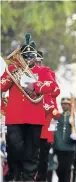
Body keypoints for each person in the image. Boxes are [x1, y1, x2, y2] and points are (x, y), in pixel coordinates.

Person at [1, 33, 57, 181]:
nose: (26, 60)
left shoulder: (44, 71)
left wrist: (35, 85)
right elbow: (1, 86)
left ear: (34, 57)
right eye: (24, 56)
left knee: (32, 154)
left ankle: (27, 179)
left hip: (34, 118)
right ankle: (15, 174)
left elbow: (53, 86)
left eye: (29, 57)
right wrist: (9, 75)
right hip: (14, 117)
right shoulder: (12, 69)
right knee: (14, 148)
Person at [35, 50, 61, 181]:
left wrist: (54, 111)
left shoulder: (47, 76)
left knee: (43, 161)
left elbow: (53, 101)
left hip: (44, 130)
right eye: (36, 61)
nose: (37, 63)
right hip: (31, 125)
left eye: (39, 61)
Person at [53, 97, 76, 182]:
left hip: (69, 148)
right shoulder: (58, 116)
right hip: (59, 147)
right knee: (60, 169)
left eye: (67, 104)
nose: (65, 106)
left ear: (70, 105)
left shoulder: (74, 116)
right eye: (63, 104)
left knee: (67, 169)